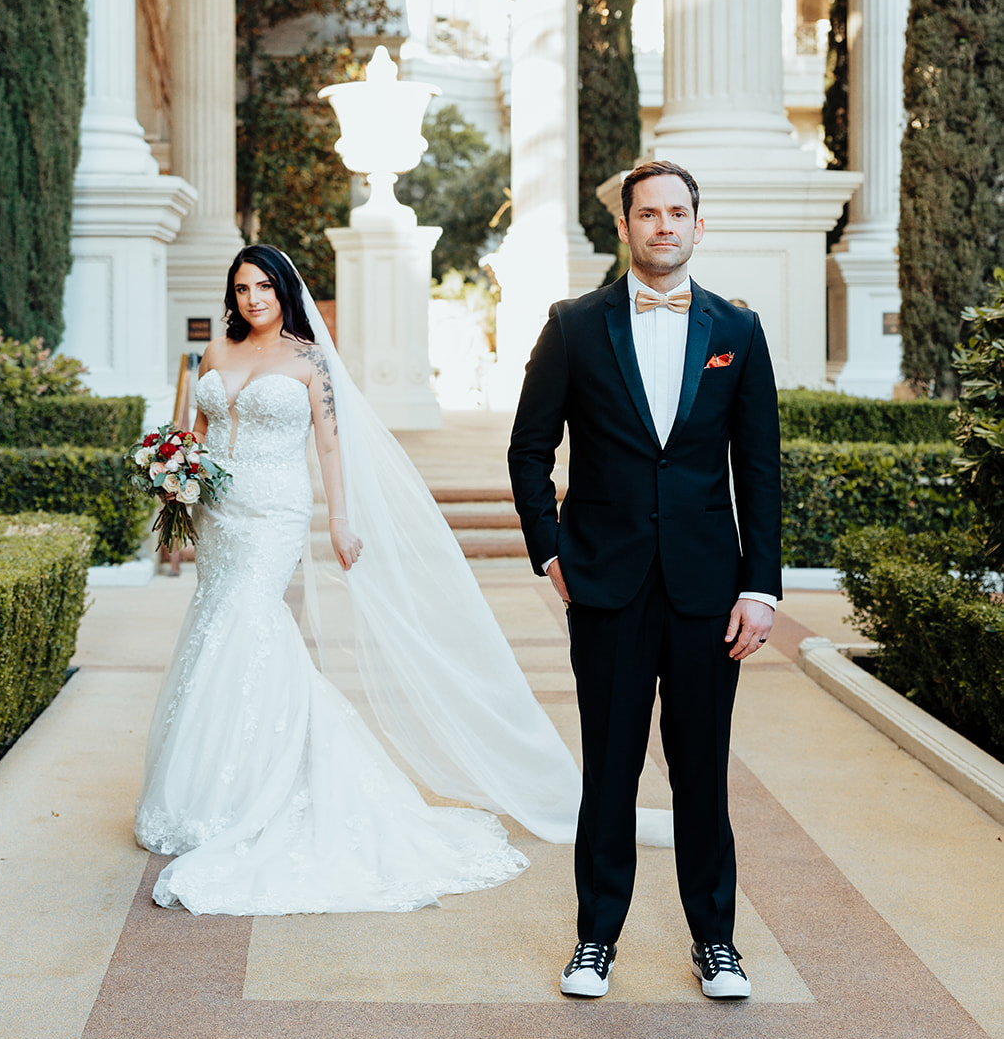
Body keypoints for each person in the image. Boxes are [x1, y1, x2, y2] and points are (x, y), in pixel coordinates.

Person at [135, 244, 672, 917]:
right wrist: (176, 484)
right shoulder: (215, 356)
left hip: (273, 511)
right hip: (218, 513)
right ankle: (205, 786)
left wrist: (340, 519)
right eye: (242, 288)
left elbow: (329, 444)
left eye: (264, 286)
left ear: (284, 291)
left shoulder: (309, 361)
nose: (253, 299)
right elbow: (197, 433)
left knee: (251, 621)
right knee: (215, 625)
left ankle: (264, 781)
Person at [508, 161, 782, 1000]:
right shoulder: (574, 326)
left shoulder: (740, 328)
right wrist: (551, 553)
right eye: (648, 213)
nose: (664, 226)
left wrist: (760, 588)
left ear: (700, 225)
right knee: (611, 769)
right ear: (624, 227)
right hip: (607, 586)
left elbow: (760, 468)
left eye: (678, 213)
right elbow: (528, 450)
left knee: (702, 771)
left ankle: (716, 944)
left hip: (708, 591)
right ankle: (596, 939)